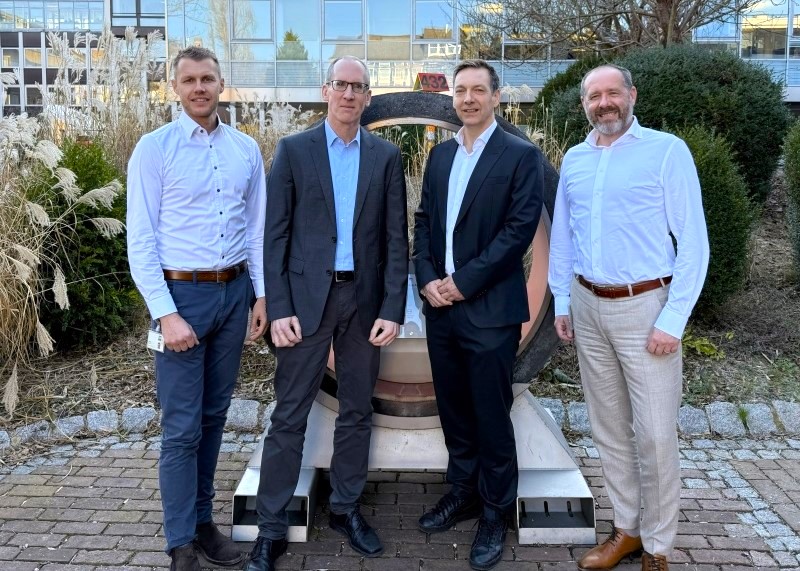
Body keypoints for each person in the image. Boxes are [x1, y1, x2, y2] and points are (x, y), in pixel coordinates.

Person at [244, 55, 408, 571]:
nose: (349, 95)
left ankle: (345, 508)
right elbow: (275, 236)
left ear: (367, 94)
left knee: (357, 411)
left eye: (359, 87)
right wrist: (279, 308)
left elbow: (395, 240)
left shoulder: (386, 156)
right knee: (289, 416)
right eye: (342, 85)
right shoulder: (294, 150)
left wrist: (392, 306)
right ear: (326, 89)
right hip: (305, 305)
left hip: (363, 303)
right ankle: (270, 530)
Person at [548, 64, 710, 571]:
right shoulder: (574, 159)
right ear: (584, 105)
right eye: (594, 96)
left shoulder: (666, 151)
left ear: (631, 95)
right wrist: (562, 301)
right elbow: (563, 239)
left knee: (657, 435)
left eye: (612, 93)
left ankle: (659, 549)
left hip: (647, 309)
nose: (604, 103)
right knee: (610, 428)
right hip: (589, 307)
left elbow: (695, 243)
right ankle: (627, 531)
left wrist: (673, 319)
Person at [126, 46, 267, 571]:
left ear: (222, 83)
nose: (200, 88)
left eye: (208, 78)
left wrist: (260, 296)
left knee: (214, 417)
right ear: (175, 87)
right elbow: (140, 241)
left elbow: (255, 230)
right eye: (189, 80)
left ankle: (204, 523)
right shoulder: (154, 149)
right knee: (181, 425)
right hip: (181, 297)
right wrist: (165, 313)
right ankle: (180, 540)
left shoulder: (245, 149)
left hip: (234, 295)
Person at [412, 59, 543, 571]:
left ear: (496, 97)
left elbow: (517, 233)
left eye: (477, 90)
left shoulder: (519, 155)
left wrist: (462, 284)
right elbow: (422, 221)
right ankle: (462, 492)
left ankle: (494, 512)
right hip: (440, 310)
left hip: (489, 310)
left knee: (491, 415)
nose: (468, 98)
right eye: (460, 90)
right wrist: (426, 280)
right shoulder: (441, 155)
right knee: (454, 411)